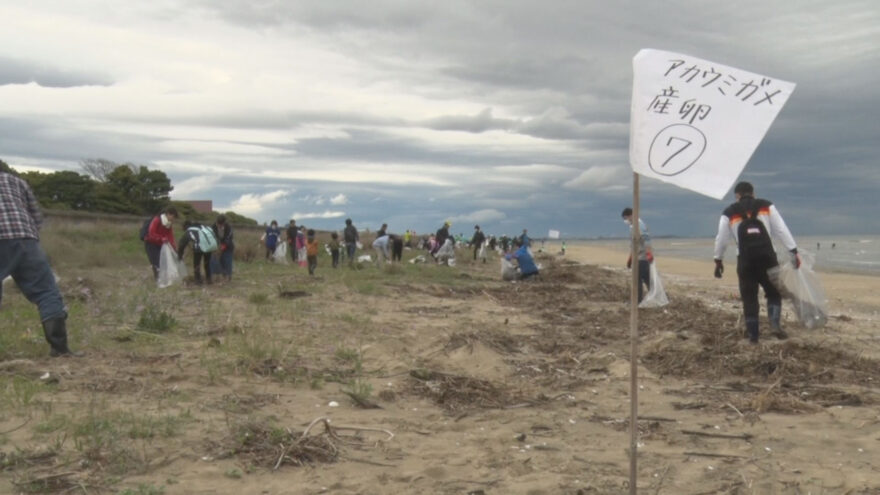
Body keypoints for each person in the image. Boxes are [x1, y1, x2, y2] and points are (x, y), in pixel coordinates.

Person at [0, 163, 79, 356]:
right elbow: (36, 216)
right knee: (46, 292)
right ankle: (60, 349)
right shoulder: (16, 181)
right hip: (26, 237)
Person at [714, 181, 799, 344]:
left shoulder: (729, 212)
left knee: (749, 297)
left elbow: (722, 239)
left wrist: (718, 260)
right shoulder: (766, 206)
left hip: (745, 260)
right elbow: (781, 229)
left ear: (737, 196)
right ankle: (775, 326)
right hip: (768, 257)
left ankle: (753, 336)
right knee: (774, 293)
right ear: (753, 193)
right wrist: (793, 250)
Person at [622, 207, 654, 303]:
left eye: (625, 218)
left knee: (637, 280)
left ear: (630, 215)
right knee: (647, 280)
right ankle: (654, 297)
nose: (625, 221)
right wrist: (630, 258)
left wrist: (648, 253)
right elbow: (634, 245)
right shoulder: (633, 226)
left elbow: (646, 239)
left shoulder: (639, 225)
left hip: (642, 258)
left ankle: (637, 301)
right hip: (639, 257)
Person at [145, 206, 179, 280]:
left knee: (162, 261)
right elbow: (151, 233)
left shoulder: (169, 224)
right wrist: (161, 238)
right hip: (151, 243)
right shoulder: (157, 220)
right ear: (168, 214)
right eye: (173, 216)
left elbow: (170, 236)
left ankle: (161, 277)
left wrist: (174, 247)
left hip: (160, 244)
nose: (173, 219)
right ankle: (158, 278)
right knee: (155, 261)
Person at [178, 220, 216, 285]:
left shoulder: (189, 230)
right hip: (209, 247)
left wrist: (179, 255)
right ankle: (209, 279)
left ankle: (198, 280)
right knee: (207, 264)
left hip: (199, 248)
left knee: (197, 264)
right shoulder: (202, 227)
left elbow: (182, 244)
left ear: (185, 226)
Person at [213, 214, 234, 282]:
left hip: (228, 247)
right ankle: (221, 275)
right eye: (218, 224)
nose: (219, 225)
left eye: (221, 224)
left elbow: (228, 239)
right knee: (219, 262)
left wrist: (222, 248)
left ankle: (228, 276)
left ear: (224, 223)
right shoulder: (213, 226)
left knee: (227, 261)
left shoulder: (229, 228)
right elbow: (212, 237)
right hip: (217, 246)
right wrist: (216, 248)